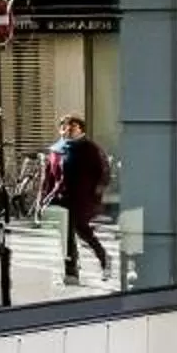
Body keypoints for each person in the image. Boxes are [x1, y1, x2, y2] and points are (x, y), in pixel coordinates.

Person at [47, 113, 112, 285]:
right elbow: (50, 175)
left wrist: (97, 192)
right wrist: (45, 195)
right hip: (61, 197)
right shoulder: (57, 149)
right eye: (64, 127)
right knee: (67, 234)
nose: (68, 130)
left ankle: (103, 257)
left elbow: (103, 171)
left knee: (81, 230)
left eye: (73, 127)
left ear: (81, 129)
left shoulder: (90, 148)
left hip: (82, 198)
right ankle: (71, 272)